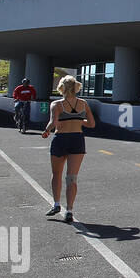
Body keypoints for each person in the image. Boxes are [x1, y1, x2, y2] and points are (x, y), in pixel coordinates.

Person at [41, 75, 96, 224]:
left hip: (61, 140)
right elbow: (91, 124)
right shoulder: (83, 104)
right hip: (77, 139)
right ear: (76, 87)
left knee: (56, 173)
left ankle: (57, 204)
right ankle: (69, 210)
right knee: (72, 177)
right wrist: (78, 120)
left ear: (61, 88)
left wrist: (46, 131)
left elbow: (53, 122)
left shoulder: (57, 104)